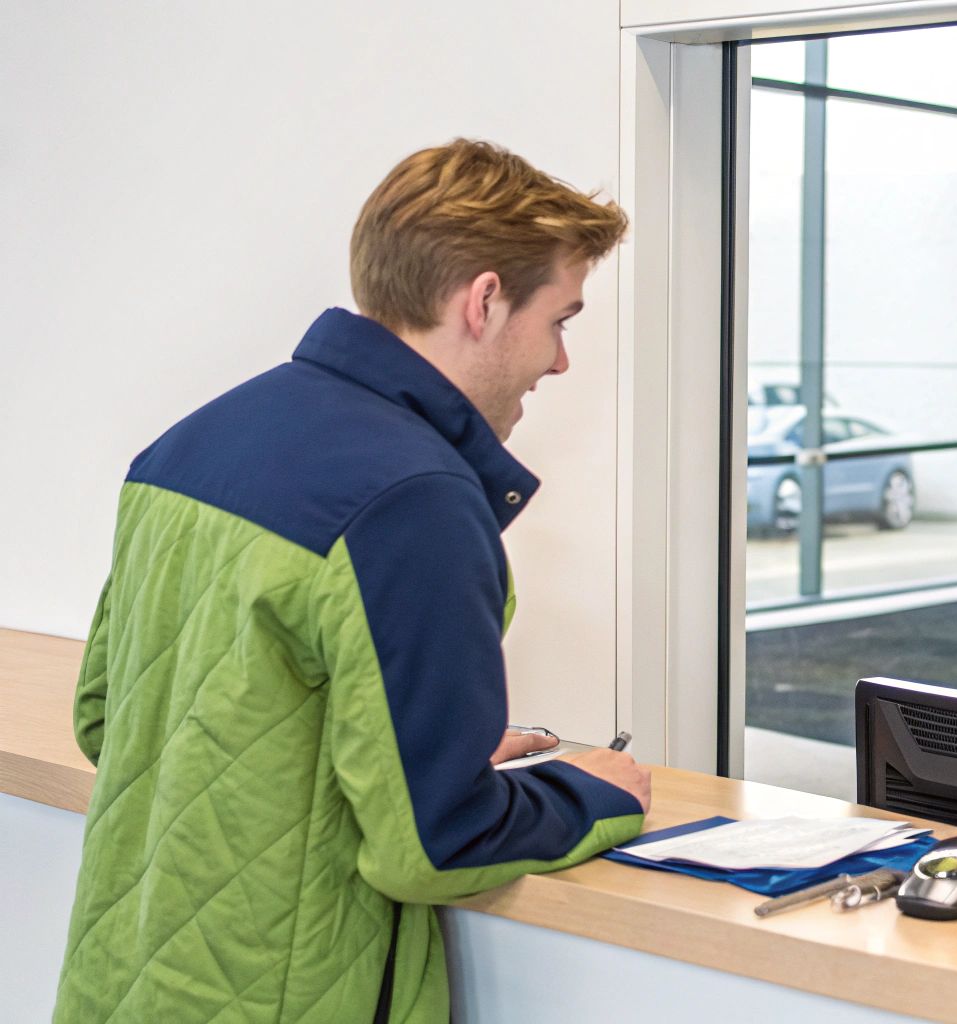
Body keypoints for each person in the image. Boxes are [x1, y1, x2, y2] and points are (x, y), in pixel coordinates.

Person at [56, 139, 652, 1022]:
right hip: (288, 993)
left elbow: (112, 717)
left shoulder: (191, 443)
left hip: (124, 980)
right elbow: (434, 843)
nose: (560, 360)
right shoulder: (414, 500)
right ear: (484, 300)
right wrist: (595, 790)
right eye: (561, 320)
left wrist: (399, 753)